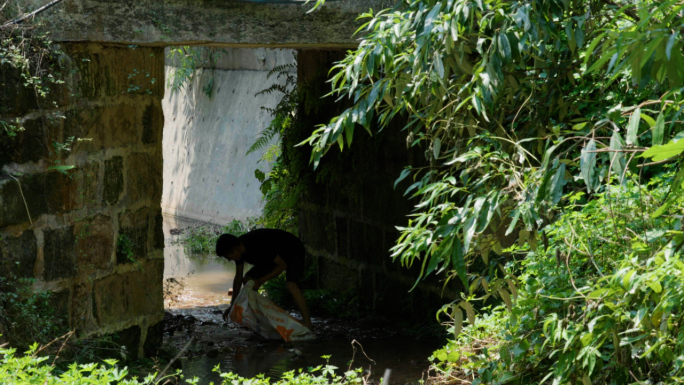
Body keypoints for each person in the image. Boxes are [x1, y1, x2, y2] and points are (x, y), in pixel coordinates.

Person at [215, 228, 312, 329]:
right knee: (248, 280)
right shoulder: (239, 251)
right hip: (270, 258)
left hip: (292, 249)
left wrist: (260, 281)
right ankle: (258, 318)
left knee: (291, 285)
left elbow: (281, 265)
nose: (229, 259)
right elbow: (239, 276)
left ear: (235, 249)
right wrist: (233, 305)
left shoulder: (258, 244)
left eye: (228, 257)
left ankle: (308, 324)